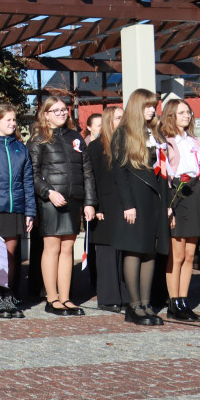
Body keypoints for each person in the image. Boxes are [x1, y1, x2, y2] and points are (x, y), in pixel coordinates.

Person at [28, 97, 96, 317]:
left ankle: (66, 298)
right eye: (54, 110)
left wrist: (89, 202)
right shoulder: (38, 139)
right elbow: (33, 174)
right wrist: (48, 192)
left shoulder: (75, 137)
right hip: (50, 201)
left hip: (73, 200)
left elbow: (87, 172)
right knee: (52, 248)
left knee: (68, 249)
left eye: (63, 109)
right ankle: (52, 298)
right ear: (45, 114)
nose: (60, 113)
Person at [110, 89, 170, 326]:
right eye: (147, 106)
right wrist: (128, 204)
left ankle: (146, 304)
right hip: (134, 200)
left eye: (153, 106)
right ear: (137, 107)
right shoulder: (123, 133)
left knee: (149, 251)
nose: (152, 109)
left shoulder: (154, 133)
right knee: (134, 250)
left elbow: (163, 172)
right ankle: (133, 306)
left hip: (153, 199)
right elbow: (119, 170)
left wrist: (166, 205)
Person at [0, 103, 35, 319]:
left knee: (11, 256)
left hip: (16, 208)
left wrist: (30, 211)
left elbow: (28, 181)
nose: (12, 123)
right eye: (8, 120)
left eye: (14, 120)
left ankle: (8, 294)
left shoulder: (20, 147)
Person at [160, 99, 200, 322]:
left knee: (190, 254)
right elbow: (162, 174)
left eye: (188, 112)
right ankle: (173, 303)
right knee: (177, 254)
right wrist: (167, 206)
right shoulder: (165, 142)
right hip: (176, 193)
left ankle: (183, 300)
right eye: (181, 113)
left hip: (195, 192)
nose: (187, 116)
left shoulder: (195, 142)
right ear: (171, 115)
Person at [86, 106, 130, 312]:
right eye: (118, 118)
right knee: (106, 253)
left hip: (123, 206)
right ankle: (108, 297)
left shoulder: (125, 145)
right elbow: (91, 178)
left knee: (123, 251)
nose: (122, 121)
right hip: (104, 207)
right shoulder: (96, 147)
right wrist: (96, 205)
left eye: (123, 117)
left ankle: (124, 295)